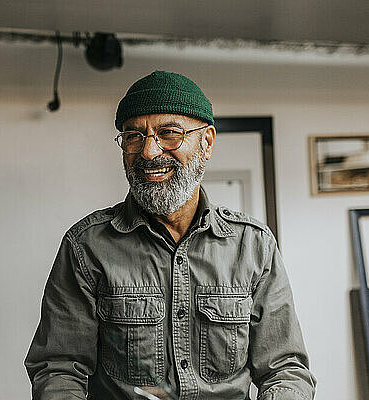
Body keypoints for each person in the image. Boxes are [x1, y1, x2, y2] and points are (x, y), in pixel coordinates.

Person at [25, 71, 316, 400]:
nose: (149, 152)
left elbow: (285, 368)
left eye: (169, 133)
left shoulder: (253, 245)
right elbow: (59, 368)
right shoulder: (86, 247)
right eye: (134, 136)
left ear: (206, 142)